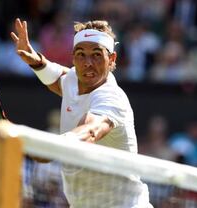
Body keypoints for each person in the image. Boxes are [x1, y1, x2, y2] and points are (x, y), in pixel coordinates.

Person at [11, 18, 152, 207]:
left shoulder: (111, 97)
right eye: (81, 55)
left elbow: (91, 130)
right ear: (73, 58)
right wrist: (35, 60)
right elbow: (58, 77)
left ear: (112, 59)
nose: (88, 63)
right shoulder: (72, 79)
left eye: (96, 54)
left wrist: (51, 146)